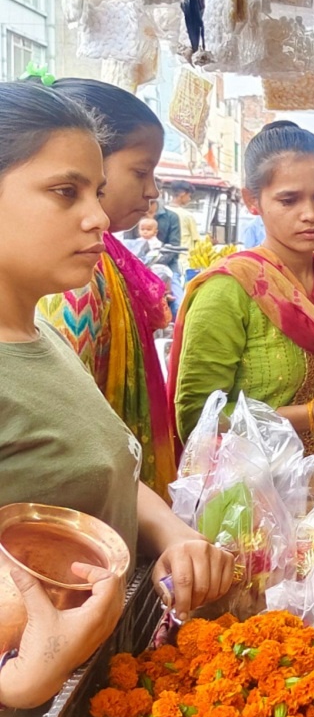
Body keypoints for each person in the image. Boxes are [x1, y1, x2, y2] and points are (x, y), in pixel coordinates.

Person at [0, 80, 232, 713]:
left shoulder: (42, 336)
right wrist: (26, 679)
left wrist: (171, 531)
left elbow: (92, 472)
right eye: (64, 191)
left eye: (97, 192)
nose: (99, 216)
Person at [170, 121, 314, 493]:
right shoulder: (228, 290)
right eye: (289, 200)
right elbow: (196, 420)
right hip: (251, 500)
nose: (311, 214)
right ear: (253, 201)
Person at [37, 78, 178, 499]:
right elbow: (67, 425)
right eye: (140, 171)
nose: (152, 191)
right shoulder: (74, 278)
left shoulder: (109, 258)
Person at [149, 197, 182, 272]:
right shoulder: (135, 215)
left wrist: (157, 261)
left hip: (167, 264)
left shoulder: (172, 217)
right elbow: (129, 244)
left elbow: (174, 245)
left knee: (175, 282)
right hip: (138, 263)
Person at [167, 180, 201, 251]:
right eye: (189, 196)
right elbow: (197, 241)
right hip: (184, 256)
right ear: (182, 194)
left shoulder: (163, 211)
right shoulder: (187, 216)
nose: (189, 199)